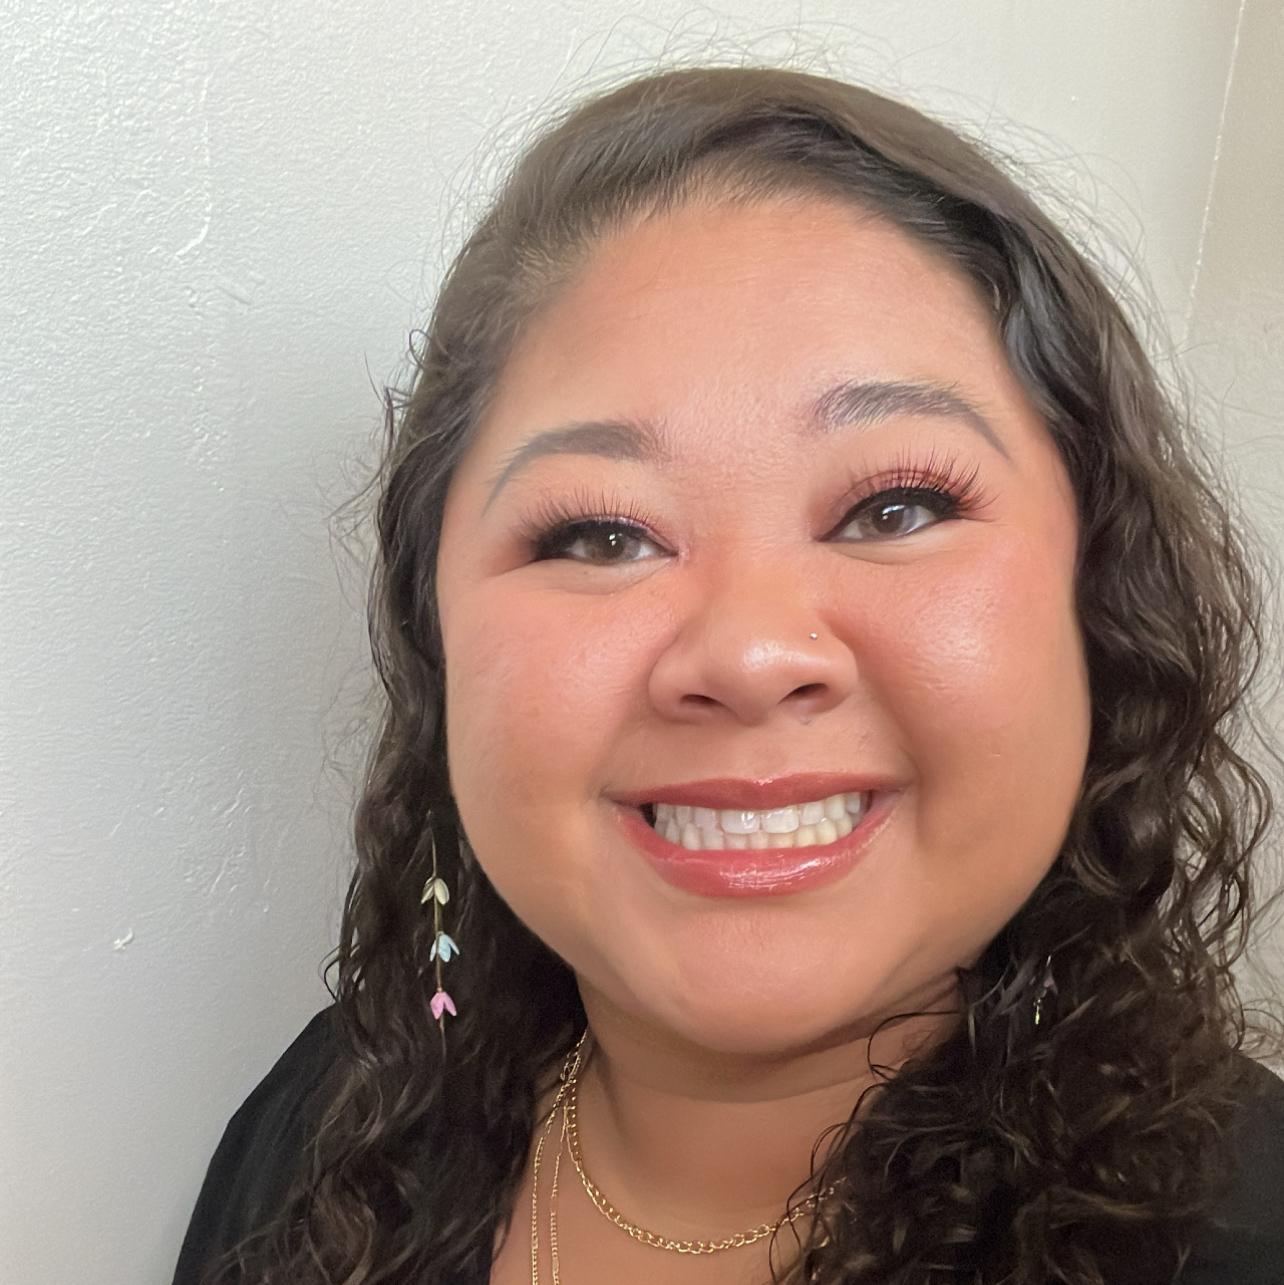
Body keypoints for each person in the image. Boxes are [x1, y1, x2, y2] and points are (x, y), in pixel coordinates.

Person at [172, 64, 1284, 1285]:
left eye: (896, 507)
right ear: (439, 642)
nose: (749, 655)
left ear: (1101, 604)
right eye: (601, 534)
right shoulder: (317, 1123)